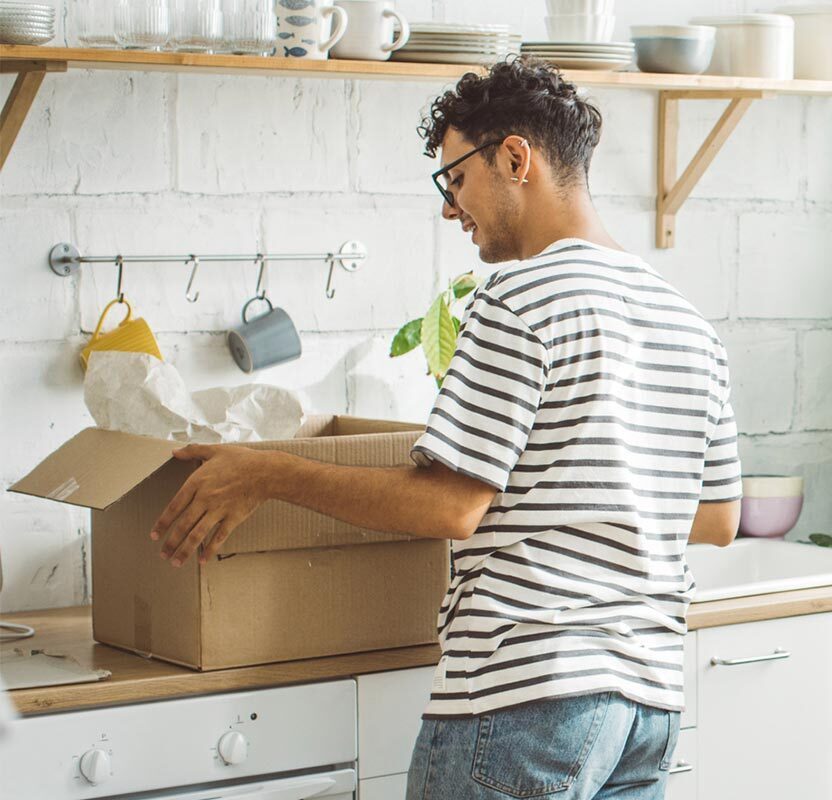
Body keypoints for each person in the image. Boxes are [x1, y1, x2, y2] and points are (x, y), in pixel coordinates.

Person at [143, 58, 741, 800]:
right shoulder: (687, 322)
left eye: (456, 179)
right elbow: (717, 519)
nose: (452, 208)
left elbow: (448, 507)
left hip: (526, 695)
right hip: (647, 707)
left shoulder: (519, 299)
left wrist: (265, 470)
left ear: (515, 158)